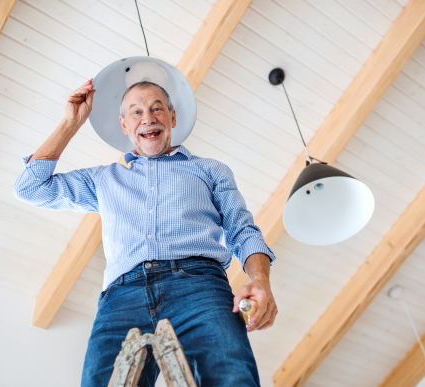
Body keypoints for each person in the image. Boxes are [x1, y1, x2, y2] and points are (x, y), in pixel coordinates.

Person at [14, 79, 277, 386]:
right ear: (124, 125)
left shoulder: (210, 170)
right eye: (136, 112)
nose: (148, 118)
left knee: (231, 378)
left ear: (173, 117)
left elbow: (242, 230)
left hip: (199, 289)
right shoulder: (103, 179)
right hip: (120, 299)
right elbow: (30, 188)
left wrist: (260, 280)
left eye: (156, 109)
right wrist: (70, 123)